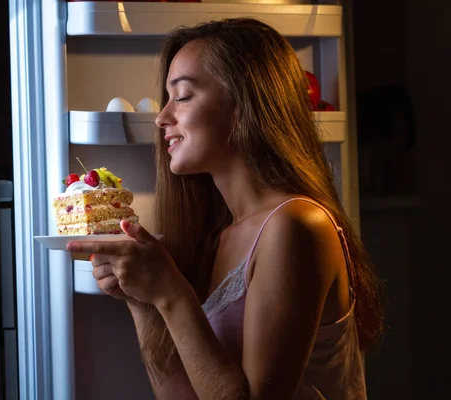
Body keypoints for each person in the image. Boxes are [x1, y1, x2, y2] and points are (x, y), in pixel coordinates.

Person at [67, 17, 382, 399]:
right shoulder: (221, 234)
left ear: (243, 103)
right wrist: (141, 299)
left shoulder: (297, 225)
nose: (163, 118)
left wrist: (170, 292)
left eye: (181, 96)